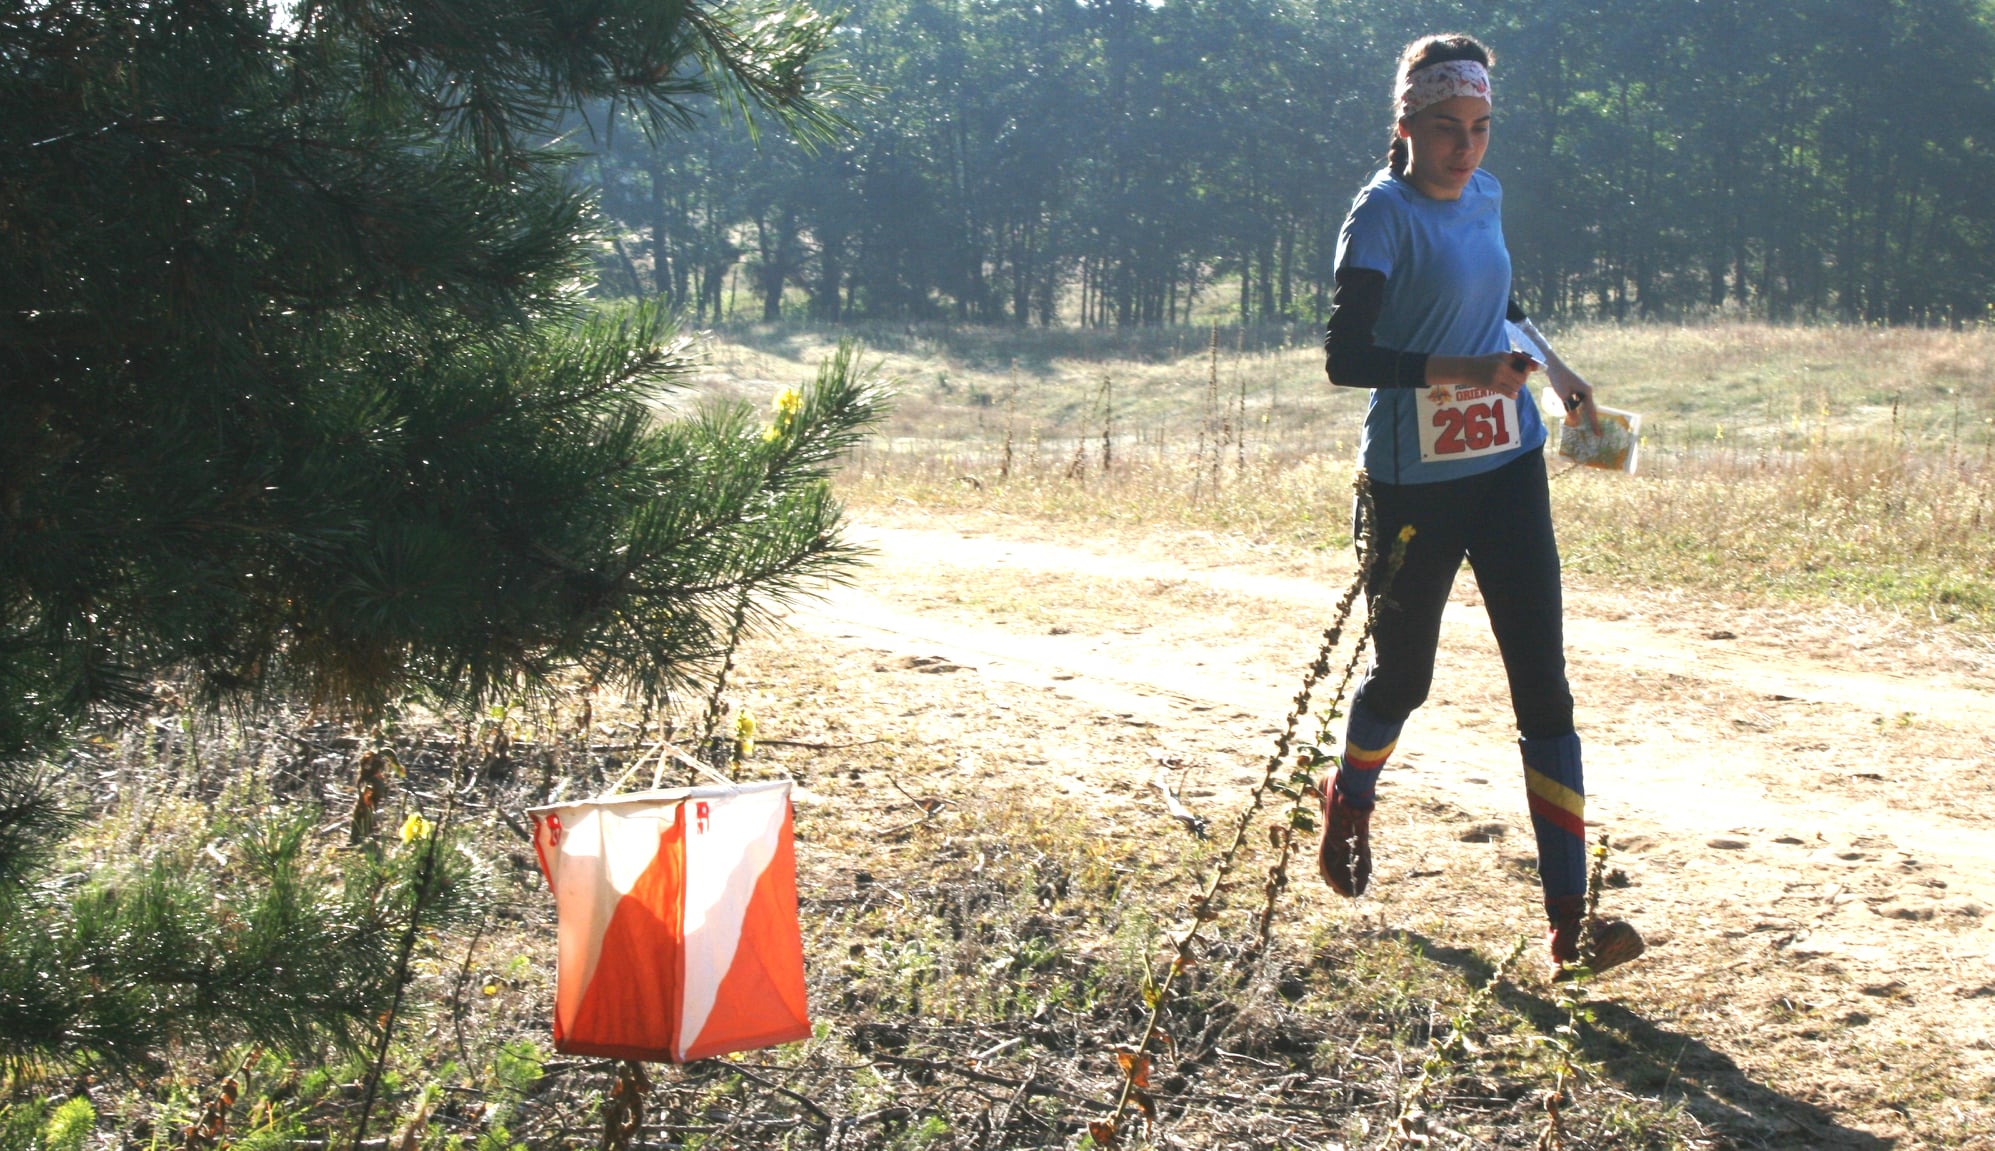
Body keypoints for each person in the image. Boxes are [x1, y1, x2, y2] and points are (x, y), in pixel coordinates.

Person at [1317, 32, 1643, 977]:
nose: (1467, 148)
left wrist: (1559, 374)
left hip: (1508, 466)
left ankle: (1569, 924)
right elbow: (1347, 358)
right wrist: (1463, 369)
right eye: (1448, 129)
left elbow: (1503, 302)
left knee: (1543, 686)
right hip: (1414, 482)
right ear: (1407, 126)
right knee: (1403, 679)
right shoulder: (1377, 216)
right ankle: (1351, 793)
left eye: (1481, 128)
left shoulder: (1488, 196)